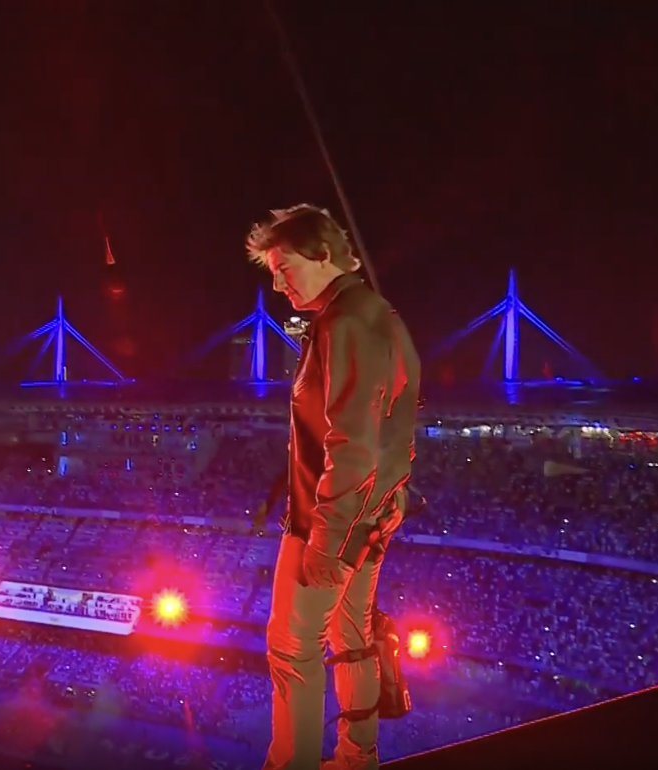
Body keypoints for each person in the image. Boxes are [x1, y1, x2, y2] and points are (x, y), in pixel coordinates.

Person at [247, 204, 420, 770]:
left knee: (292, 648)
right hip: (370, 512)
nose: (277, 284)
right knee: (352, 638)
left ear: (322, 254)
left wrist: (323, 537)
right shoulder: (376, 316)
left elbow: (352, 440)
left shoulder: (345, 322)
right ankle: (356, 758)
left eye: (284, 267)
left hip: (333, 521)